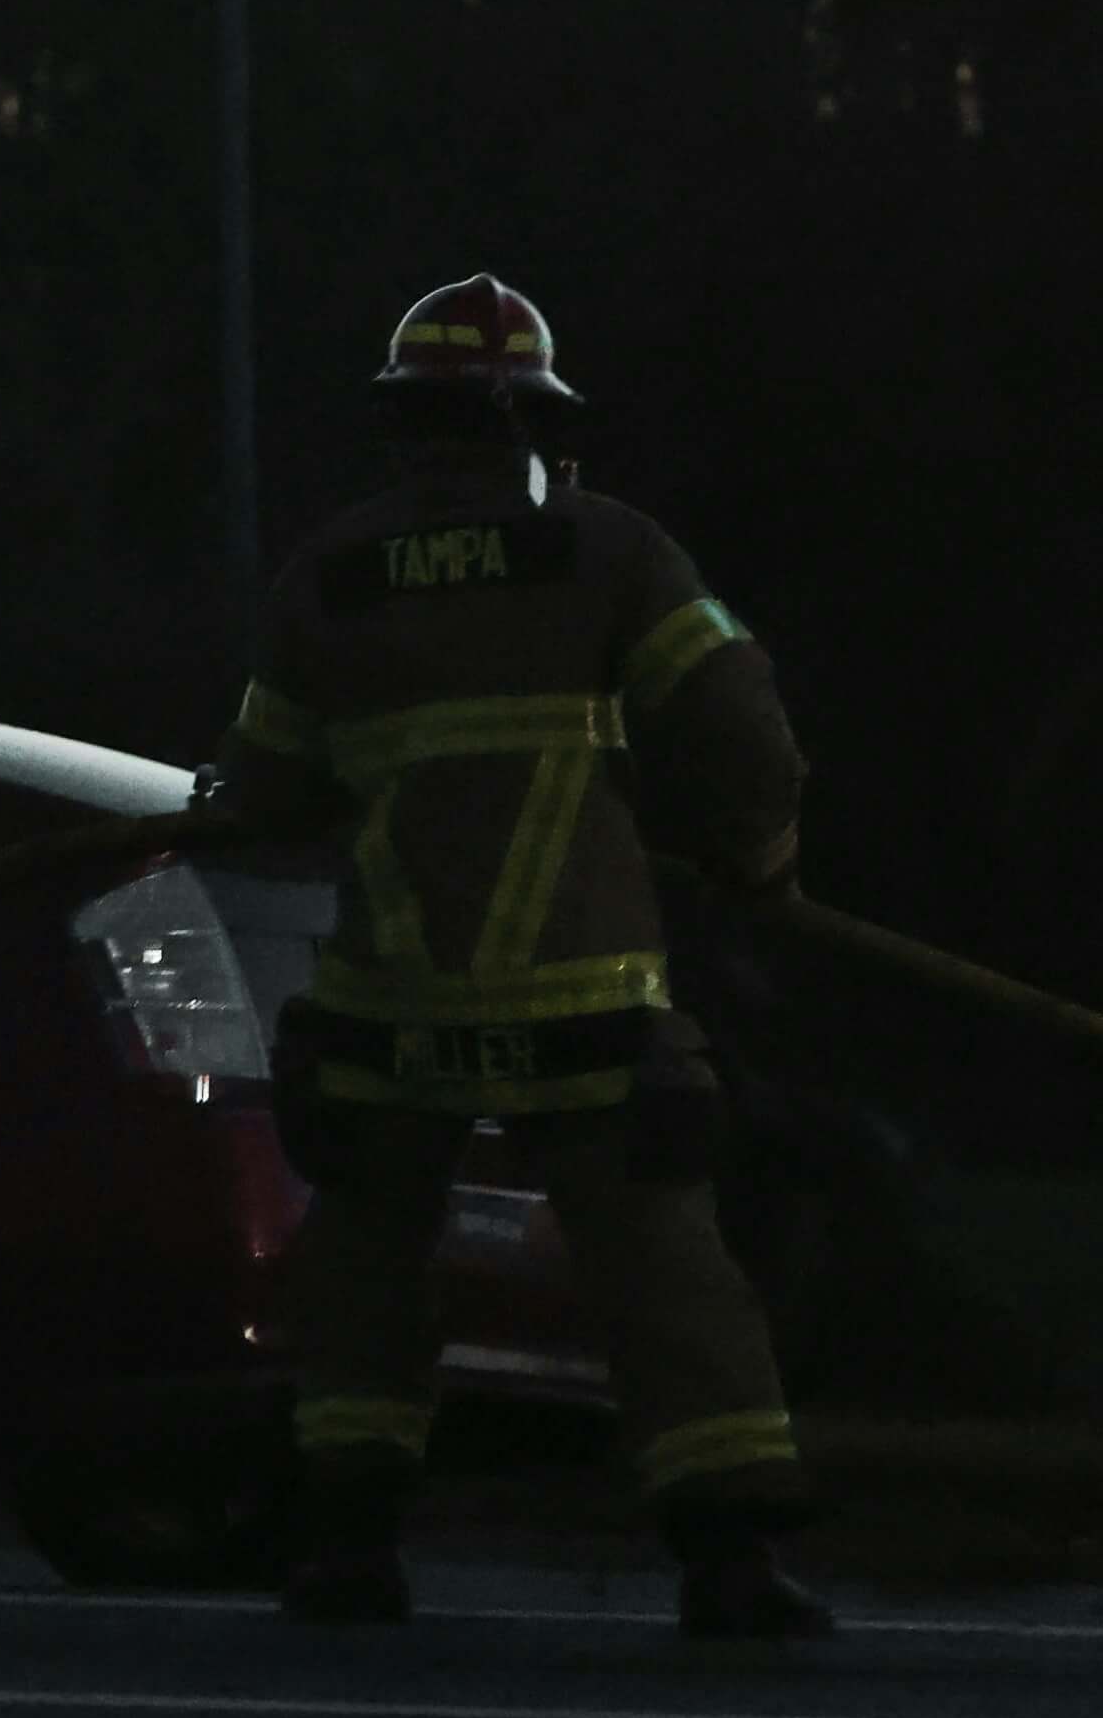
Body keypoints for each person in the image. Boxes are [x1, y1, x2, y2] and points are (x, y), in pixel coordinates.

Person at [193, 275, 832, 1641]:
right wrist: (759, 866)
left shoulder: (330, 576)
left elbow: (263, 798)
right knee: (664, 1276)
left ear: (400, 425)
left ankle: (346, 1547)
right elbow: (737, 736)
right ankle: (729, 1564)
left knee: (365, 1264)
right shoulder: (610, 554)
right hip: (585, 1006)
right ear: (533, 424)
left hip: (391, 1013)